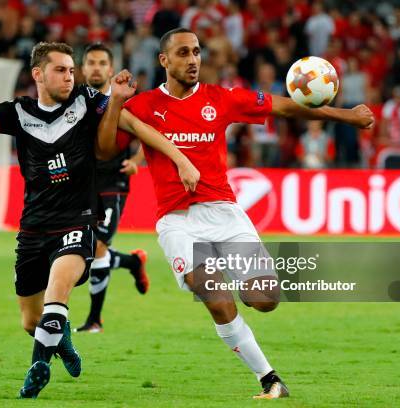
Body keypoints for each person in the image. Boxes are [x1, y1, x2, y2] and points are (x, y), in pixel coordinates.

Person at [99, 28, 374, 399]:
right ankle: (270, 378)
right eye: (183, 53)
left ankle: (240, 280)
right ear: (164, 60)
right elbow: (103, 150)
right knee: (215, 295)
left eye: (196, 52)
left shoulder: (221, 98)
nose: (193, 59)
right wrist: (116, 102)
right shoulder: (143, 106)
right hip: (178, 221)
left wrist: (347, 115)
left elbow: (285, 106)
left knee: (264, 299)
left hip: (225, 214)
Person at [0, 39, 199, 399]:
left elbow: (135, 126)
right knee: (31, 321)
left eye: (72, 70)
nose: (69, 77)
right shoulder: (20, 113)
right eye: (60, 70)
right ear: (38, 74)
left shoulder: (87, 101)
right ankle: (63, 340)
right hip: (33, 227)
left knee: (58, 295)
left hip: (76, 222)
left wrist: (179, 158)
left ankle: (37, 369)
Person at [76, 42, 149, 333]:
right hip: (83, 183)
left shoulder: (125, 101)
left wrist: (136, 161)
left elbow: (148, 132)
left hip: (113, 182)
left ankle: (95, 320)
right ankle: (132, 262)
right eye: (90, 62)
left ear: (110, 68)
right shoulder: (76, 101)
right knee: (86, 250)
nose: (96, 67)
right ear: (82, 69)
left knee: (97, 246)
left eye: (101, 63)